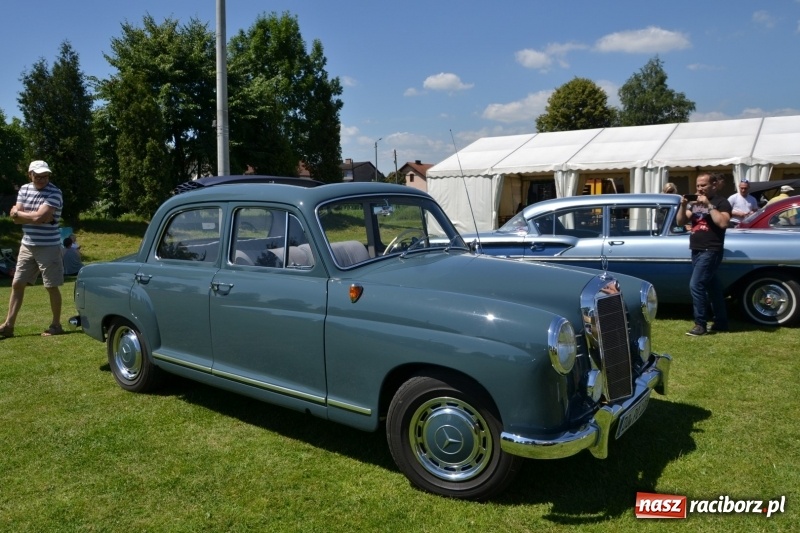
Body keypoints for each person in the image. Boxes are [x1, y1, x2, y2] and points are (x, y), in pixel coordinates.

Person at [0, 160, 65, 339]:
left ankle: (56, 325)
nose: (42, 179)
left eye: (45, 176)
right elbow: (18, 218)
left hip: (49, 245)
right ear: (30, 175)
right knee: (17, 283)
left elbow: (37, 217)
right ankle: (8, 326)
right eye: (38, 176)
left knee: (51, 286)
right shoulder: (24, 189)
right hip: (27, 244)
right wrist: (32, 216)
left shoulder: (55, 192)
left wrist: (23, 215)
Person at [675, 172, 732, 336]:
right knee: (713, 287)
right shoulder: (696, 204)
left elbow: (723, 223)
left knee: (696, 285)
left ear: (713, 185)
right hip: (697, 249)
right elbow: (680, 221)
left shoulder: (722, 202)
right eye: (698, 186)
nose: (700, 189)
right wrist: (684, 205)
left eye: (703, 185)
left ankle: (700, 324)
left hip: (711, 250)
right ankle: (721, 322)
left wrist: (709, 204)